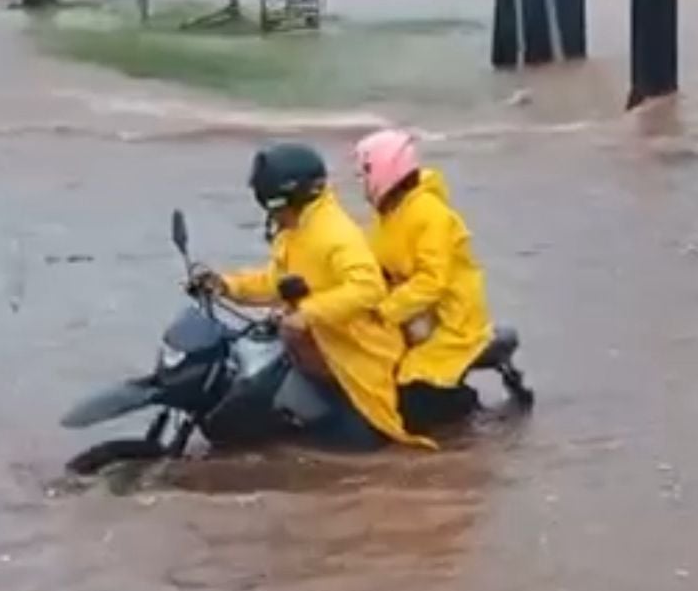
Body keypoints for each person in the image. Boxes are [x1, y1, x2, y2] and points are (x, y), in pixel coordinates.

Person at [197, 142, 434, 452]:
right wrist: (227, 285)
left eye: (270, 204)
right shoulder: (296, 230)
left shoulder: (334, 234)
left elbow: (368, 287)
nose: (268, 211)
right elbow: (276, 281)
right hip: (316, 346)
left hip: (356, 353)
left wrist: (308, 313)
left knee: (349, 448)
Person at [353, 129, 494, 435]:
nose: (361, 183)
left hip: (451, 322)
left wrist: (385, 311)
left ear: (385, 171)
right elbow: (369, 260)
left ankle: (467, 411)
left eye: (365, 172)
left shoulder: (431, 215)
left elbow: (432, 281)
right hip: (411, 316)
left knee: (411, 399)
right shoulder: (387, 215)